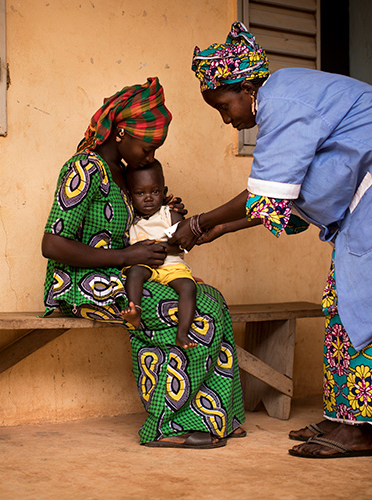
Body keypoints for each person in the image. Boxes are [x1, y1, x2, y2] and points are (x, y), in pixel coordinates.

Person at [170, 22, 372, 458]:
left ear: (247, 86)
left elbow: (267, 193)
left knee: (370, 306)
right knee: (343, 301)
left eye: (224, 105)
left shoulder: (282, 100)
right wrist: (221, 227)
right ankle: (344, 417)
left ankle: (357, 430)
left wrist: (196, 225)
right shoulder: (289, 96)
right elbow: (288, 192)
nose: (227, 118)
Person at [41, 77, 245, 449]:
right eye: (148, 147)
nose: (150, 156)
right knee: (173, 310)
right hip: (82, 282)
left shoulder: (124, 174)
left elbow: (135, 231)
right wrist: (127, 256)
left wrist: (167, 218)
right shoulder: (83, 169)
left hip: (124, 273)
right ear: (120, 133)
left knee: (212, 299)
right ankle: (168, 427)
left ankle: (219, 416)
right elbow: (51, 244)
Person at [121, 160, 198, 349]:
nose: (148, 198)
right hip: (145, 267)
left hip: (171, 266)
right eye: (140, 193)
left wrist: (158, 249)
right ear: (130, 195)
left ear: (164, 192)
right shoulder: (129, 219)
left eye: (154, 192)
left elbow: (182, 244)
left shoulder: (169, 215)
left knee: (188, 287)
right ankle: (135, 311)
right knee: (135, 272)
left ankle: (182, 333)